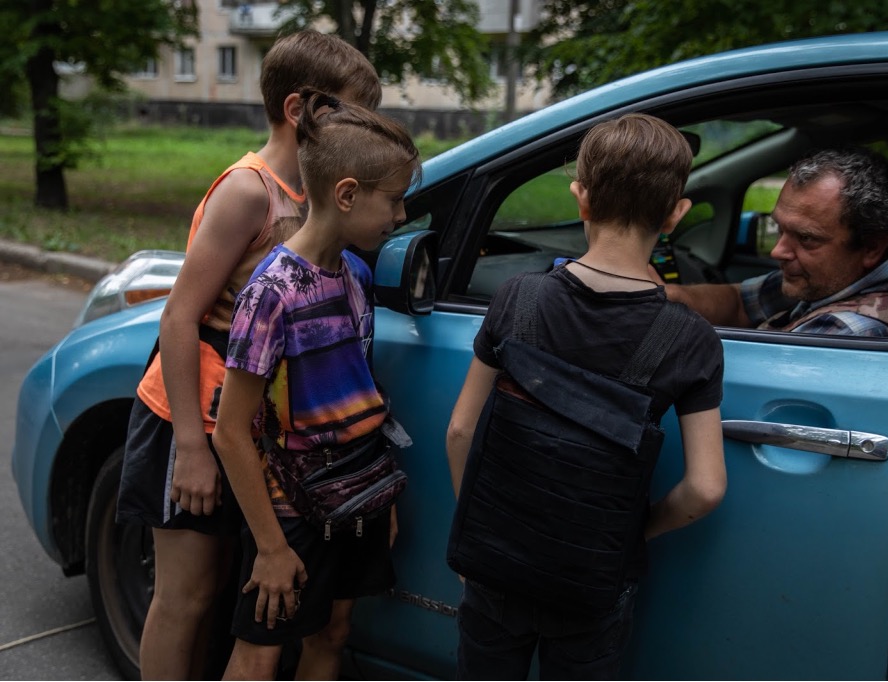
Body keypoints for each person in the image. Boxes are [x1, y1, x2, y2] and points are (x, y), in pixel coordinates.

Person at [115, 30, 382, 680]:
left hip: (252, 431)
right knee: (187, 596)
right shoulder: (250, 191)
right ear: (298, 109)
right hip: (192, 421)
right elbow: (179, 316)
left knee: (235, 592)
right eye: (353, 112)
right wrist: (192, 448)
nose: (365, 127)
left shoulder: (316, 195)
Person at [445, 113, 728, 679]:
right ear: (676, 213)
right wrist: (634, 534)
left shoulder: (517, 298)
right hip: (592, 581)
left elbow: (460, 431)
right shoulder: (691, 339)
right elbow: (705, 487)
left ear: (581, 199)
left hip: (498, 561)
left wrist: (480, 534)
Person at [211, 92, 421, 680]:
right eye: (394, 199)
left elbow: (359, 389)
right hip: (291, 510)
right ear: (347, 194)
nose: (402, 214)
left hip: (355, 493)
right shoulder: (271, 292)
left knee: (333, 631)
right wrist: (271, 546)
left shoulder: (355, 273)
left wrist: (376, 497)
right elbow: (231, 432)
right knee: (262, 648)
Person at [656, 147, 888, 337]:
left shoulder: (848, 330)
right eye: (779, 228)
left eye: (806, 238)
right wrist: (665, 295)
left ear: (872, 247)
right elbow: (741, 303)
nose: (777, 251)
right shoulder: (834, 277)